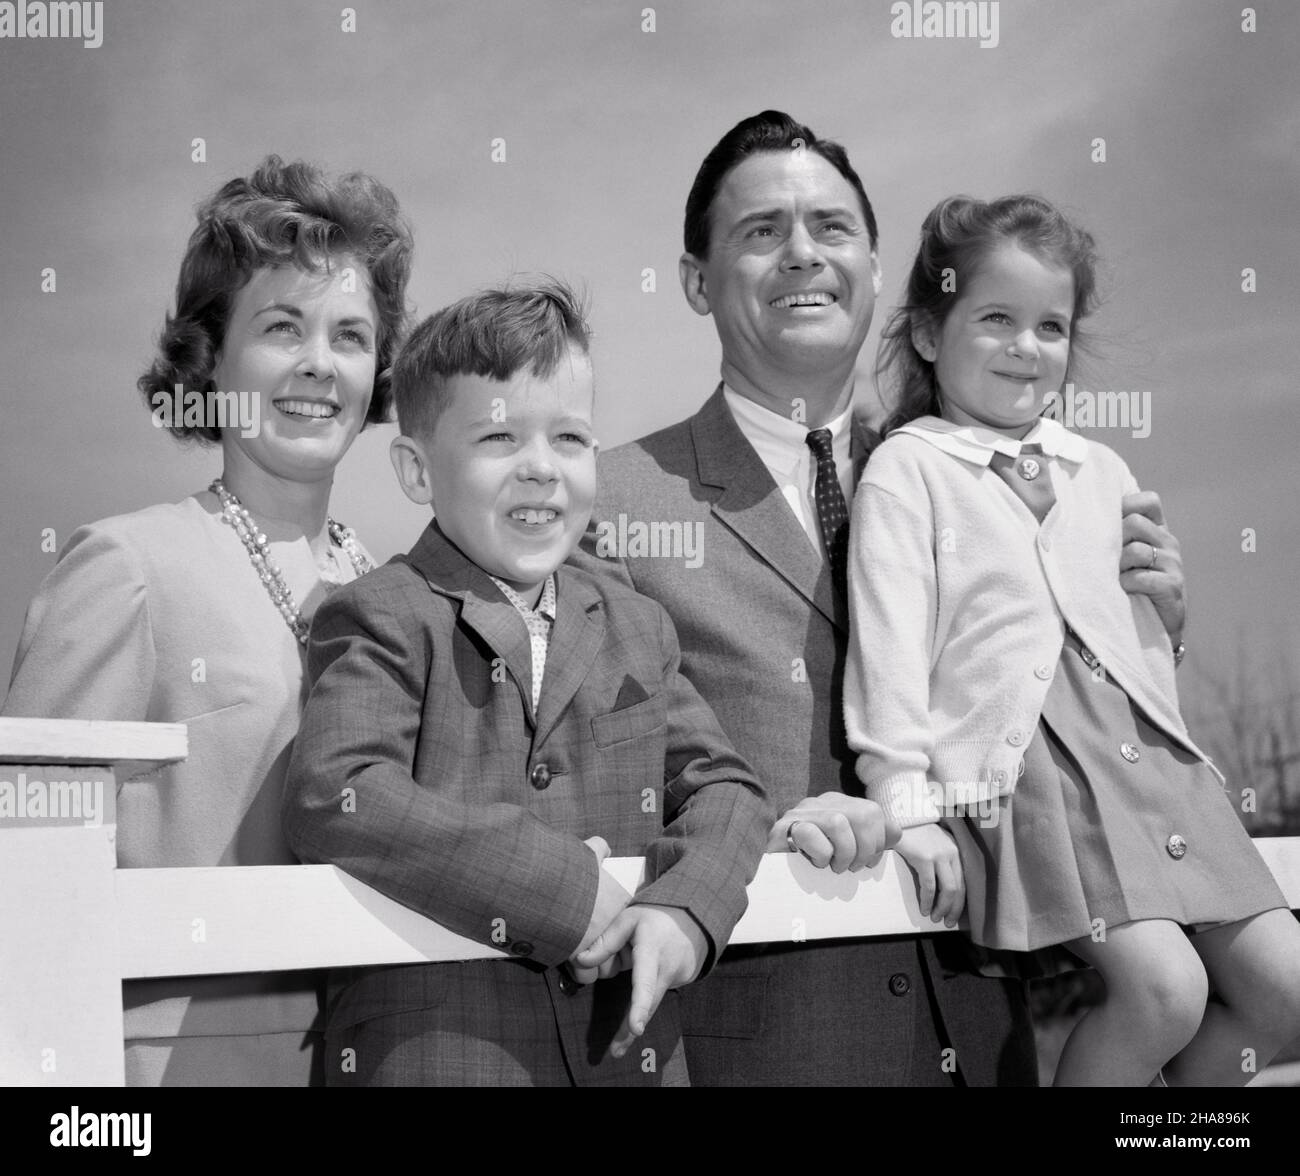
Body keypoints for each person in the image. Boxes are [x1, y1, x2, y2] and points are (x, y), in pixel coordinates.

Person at [572, 111, 1192, 1086]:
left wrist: (1148, 631)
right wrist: (752, 832)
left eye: (830, 226)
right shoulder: (607, 504)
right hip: (761, 1049)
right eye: (760, 231)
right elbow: (573, 783)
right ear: (696, 279)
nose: (802, 254)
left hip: (988, 1036)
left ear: (872, 259)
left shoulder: (999, 478)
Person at [845, 192, 1300, 1086]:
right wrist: (906, 805)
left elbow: (1132, 642)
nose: (1027, 346)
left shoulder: (1103, 468)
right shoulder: (910, 469)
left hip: (1157, 773)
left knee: (1287, 989)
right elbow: (889, 651)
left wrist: (1169, 636)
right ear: (931, 335)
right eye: (997, 319)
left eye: (1050, 325)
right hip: (1035, 777)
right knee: (1163, 993)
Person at [282, 280, 771, 1087]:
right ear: (415, 469)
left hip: (628, 1054)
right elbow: (338, 792)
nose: (542, 470)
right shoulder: (377, 613)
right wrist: (565, 892)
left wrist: (686, 906)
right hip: (440, 1054)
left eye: (571, 438)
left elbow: (725, 787)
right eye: (500, 440)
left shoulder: (635, 623)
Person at [2, 155, 414, 1085]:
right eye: (281, 328)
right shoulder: (126, 568)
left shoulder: (399, 591)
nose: (319, 362)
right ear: (209, 360)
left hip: (383, 1050)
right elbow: (25, 876)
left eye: (351, 334)